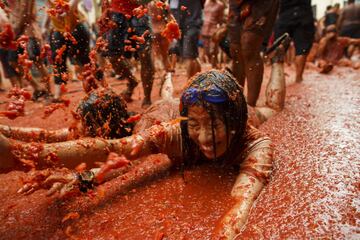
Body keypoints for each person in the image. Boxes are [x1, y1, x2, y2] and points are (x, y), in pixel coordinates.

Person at [3, 40, 288, 238]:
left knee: (271, 109)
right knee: (169, 103)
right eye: (196, 125)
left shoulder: (255, 143)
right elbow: (119, 150)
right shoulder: (176, 131)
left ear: (235, 122)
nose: (204, 138)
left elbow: (241, 203)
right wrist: (24, 156)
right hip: (164, 110)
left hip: (231, 110)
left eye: (213, 125)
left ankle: (276, 59)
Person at [99, 0, 154, 108]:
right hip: (116, 13)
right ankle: (132, 81)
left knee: (145, 56)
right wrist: (105, 9)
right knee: (112, 56)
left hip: (140, 14)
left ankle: (147, 97)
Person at [46, 0, 103, 102]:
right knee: (58, 60)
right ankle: (57, 95)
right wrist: (45, 25)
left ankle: (104, 86)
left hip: (76, 27)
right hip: (58, 30)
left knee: (86, 60)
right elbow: (49, 7)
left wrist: (70, 6)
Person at [228, 0, 279, 107]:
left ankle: (251, 105)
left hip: (260, 4)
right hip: (236, 3)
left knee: (249, 43)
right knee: (235, 49)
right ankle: (237, 102)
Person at [274, 0, 315, 83]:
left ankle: (278, 77)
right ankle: (298, 78)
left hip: (285, 16)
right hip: (304, 16)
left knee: (280, 45)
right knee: (301, 50)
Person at [169, 0, 204, 79]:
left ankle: (189, 84)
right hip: (179, 27)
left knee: (189, 55)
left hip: (193, 24)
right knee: (192, 56)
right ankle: (199, 80)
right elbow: (170, 9)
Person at [201, 0, 225, 68]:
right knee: (206, 51)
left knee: (213, 50)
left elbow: (220, 19)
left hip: (214, 30)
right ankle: (214, 65)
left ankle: (214, 67)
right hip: (204, 29)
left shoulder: (220, 5)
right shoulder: (206, 2)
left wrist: (220, 30)